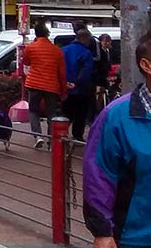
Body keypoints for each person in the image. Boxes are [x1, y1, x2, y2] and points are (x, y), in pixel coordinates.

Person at [83, 31, 151, 248]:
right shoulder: (117, 116)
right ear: (147, 65)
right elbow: (99, 175)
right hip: (135, 237)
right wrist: (102, 231)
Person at [24, 21, 68, 149]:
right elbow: (62, 73)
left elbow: (26, 61)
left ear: (36, 34)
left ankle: (37, 136)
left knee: (33, 110)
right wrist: (63, 90)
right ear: (48, 34)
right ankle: (51, 140)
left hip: (33, 83)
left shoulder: (31, 48)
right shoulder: (57, 50)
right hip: (51, 85)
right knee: (51, 112)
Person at [64, 27, 97, 141]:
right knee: (80, 114)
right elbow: (86, 71)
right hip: (80, 89)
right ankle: (77, 136)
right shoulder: (86, 53)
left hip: (64, 88)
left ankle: (61, 134)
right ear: (85, 39)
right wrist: (77, 83)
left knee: (65, 113)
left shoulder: (64, 50)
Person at [95, 34, 115, 111]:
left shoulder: (109, 51)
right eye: (105, 41)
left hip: (104, 75)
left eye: (109, 41)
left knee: (103, 92)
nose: (107, 43)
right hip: (99, 76)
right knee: (98, 94)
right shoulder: (99, 52)